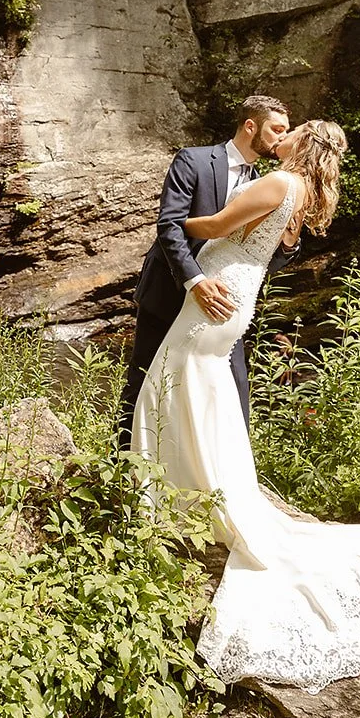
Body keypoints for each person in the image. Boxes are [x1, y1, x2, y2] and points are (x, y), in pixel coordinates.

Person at [132, 120, 360, 691]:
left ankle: (174, 495)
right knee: (200, 389)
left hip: (217, 290)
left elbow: (217, 225)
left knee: (175, 383)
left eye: (293, 131)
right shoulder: (301, 194)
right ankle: (197, 490)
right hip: (238, 293)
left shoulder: (278, 182)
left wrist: (176, 222)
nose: (285, 135)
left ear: (304, 143)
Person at [117, 95, 298, 453]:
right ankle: (120, 476)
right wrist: (196, 282)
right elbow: (169, 228)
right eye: (277, 129)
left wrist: (288, 246)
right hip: (169, 291)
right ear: (251, 126)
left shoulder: (269, 183)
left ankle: (221, 483)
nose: (282, 137)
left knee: (234, 391)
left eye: (286, 131)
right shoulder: (193, 159)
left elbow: (259, 256)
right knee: (142, 384)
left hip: (222, 305)